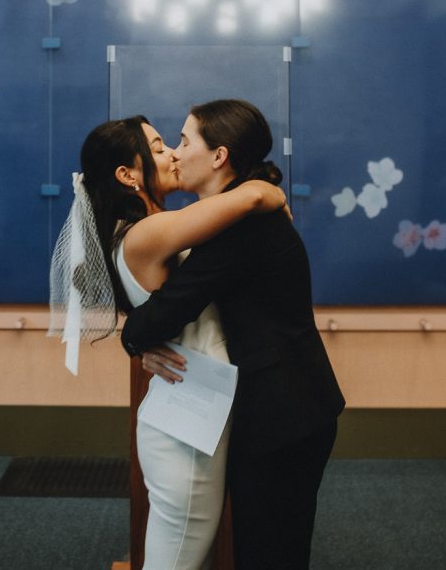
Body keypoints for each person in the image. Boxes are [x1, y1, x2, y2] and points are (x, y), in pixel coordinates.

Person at [49, 115, 287, 569]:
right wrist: (273, 193)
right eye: (160, 148)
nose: (174, 154)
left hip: (189, 412)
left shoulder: (150, 227)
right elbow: (254, 195)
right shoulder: (148, 232)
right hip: (185, 427)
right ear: (128, 174)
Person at [121, 99, 346, 570]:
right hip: (291, 403)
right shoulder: (243, 208)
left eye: (184, 141)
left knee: (269, 552)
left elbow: (162, 314)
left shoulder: (240, 226)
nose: (177, 154)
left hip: (284, 413)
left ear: (219, 156)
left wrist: (135, 342)